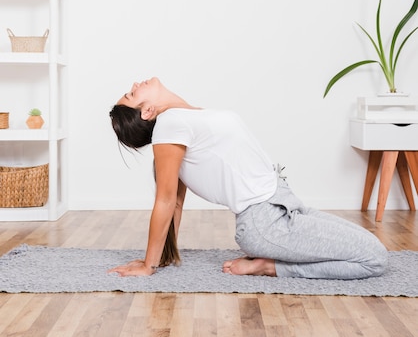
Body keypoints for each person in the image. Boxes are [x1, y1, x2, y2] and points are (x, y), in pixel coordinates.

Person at [108, 77, 388, 279]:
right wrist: (149, 264)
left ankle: (271, 261)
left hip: (284, 204)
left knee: (369, 247)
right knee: (374, 259)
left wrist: (165, 256)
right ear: (147, 111)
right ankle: (270, 267)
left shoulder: (184, 118)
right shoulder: (169, 126)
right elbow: (168, 201)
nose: (134, 84)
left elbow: (176, 204)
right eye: (131, 94)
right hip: (264, 222)